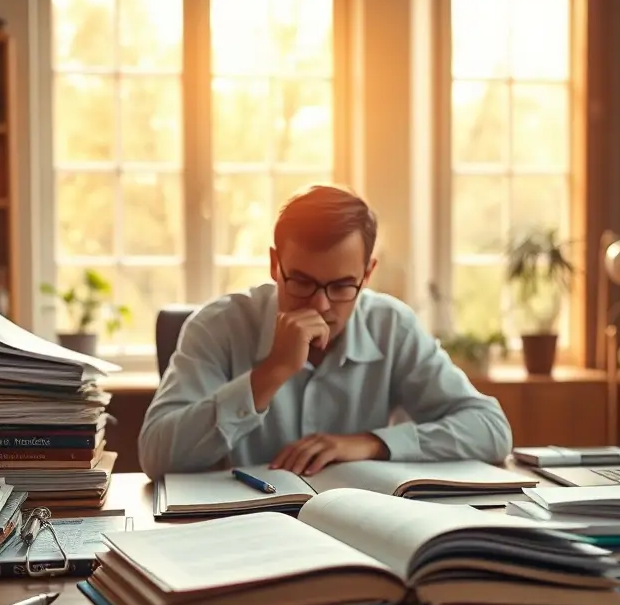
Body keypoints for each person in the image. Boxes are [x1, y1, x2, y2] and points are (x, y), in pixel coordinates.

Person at [137, 184, 513, 479]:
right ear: (274, 264)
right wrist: (271, 374)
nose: (320, 306)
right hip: (245, 527)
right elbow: (155, 454)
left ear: (367, 275)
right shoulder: (217, 326)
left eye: (341, 286)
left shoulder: (392, 326)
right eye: (300, 282)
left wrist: (371, 444)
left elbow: (490, 429)